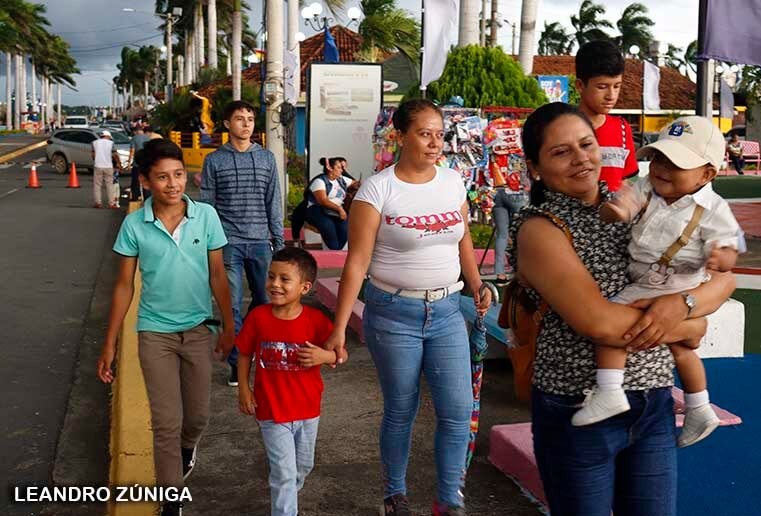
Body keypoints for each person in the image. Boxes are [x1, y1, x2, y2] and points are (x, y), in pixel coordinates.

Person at [509, 103, 736, 515]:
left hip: (653, 400)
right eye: (561, 152)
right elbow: (600, 323)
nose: (581, 158)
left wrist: (684, 304)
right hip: (578, 406)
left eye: (586, 144)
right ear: (535, 167)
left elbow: (725, 280)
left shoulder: (640, 205)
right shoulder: (538, 229)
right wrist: (687, 326)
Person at [323, 99, 492, 516]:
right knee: (402, 407)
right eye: (425, 133)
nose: (436, 142)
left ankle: (449, 500)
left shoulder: (453, 182)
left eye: (439, 133)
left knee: (457, 410)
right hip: (393, 314)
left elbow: (463, 239)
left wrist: (476, 284)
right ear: (400, 136)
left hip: (449, 310)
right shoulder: (378, 190)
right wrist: (339, 328)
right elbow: (357, 263)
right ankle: (394, 495)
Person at [572, 116, 742, 448]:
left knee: (614, 321)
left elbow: (728, 254)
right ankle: (699, 405)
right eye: (659, 158)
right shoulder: (646, 187)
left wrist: (723, 256)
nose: (662, 168)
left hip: (675, 282)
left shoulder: (713, 209)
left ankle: (609, 390)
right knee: (682, 349)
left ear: (706, 174)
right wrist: (616, 211)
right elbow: (624, 203)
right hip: (652, 279)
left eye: (676, 164)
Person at [96, 139, 234, 516]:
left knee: (198, 417)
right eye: (162, 178)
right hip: (154, 332)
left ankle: (189, 448)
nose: (173, 184)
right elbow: (124, 286)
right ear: (146, 181)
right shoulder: (134, 224)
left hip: (198, 329)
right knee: (165, 423)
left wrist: (229, 324)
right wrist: (110, 345)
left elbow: (218, 274)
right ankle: (170, 503)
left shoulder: (206, 216)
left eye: (178, 175)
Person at [236, 247, 337, 516]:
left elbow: (340, 354)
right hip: (271, 412)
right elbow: (244, 353)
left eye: (284, 279)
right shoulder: (258, 317)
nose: (274, 284)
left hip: (308, 411)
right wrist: (244, 389)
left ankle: (288, 491)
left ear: (305, 287)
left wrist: (323, 355)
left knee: (302, 467)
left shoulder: (316, 321)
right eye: (271, 277)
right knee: (283, 474)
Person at [200, 100, 284, 386]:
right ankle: (237, 364)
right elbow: (207, 205)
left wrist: (278, 240)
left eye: (250, 118)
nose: (246, 123)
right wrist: (207, 243)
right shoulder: (214, 160)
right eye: (239, 118)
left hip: (261, 242)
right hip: (228, 243)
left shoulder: (266, 158)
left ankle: (249, 345)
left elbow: (274, 201)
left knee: (265, 301)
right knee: (230, 306)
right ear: (227, 124)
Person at [575, 40, 638, 192]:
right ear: (580, 86)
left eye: (617, 86)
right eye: (602, 87)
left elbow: (628, 181)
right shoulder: (562, 129)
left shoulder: (622, 128)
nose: (611, 96)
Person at [304, 157, 354, 250]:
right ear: (330, 168)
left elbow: (355, 183)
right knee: (330, 233)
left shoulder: (341, 179)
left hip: (335, 212)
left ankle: (335, 251)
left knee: (344, 231)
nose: (341, 170)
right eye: (339, 167)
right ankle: (311, 226)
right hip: (318, 210)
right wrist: (340, 209)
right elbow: (323, 200)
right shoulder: (319, 181)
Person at [91, 130, 120, 208]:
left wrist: (97, 159)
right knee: (110, 185)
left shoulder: (94, 143)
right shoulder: (111, 143)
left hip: (98, 166)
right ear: (108, 136)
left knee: (97, 185)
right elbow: (115, 155)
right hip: (108, 166)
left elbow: (93, 155)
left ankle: (98, 202)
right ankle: (111, 203)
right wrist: (118, 163)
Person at [128, 125, 151, 201]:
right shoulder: (148, 138)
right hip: (146, 163)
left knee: (136, 181)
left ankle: (135, 196)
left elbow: (132, 151)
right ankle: (147, 197)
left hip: (137, 163)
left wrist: (129, 162)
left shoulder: (134, 138)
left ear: (136, 131)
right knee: (146, 180)